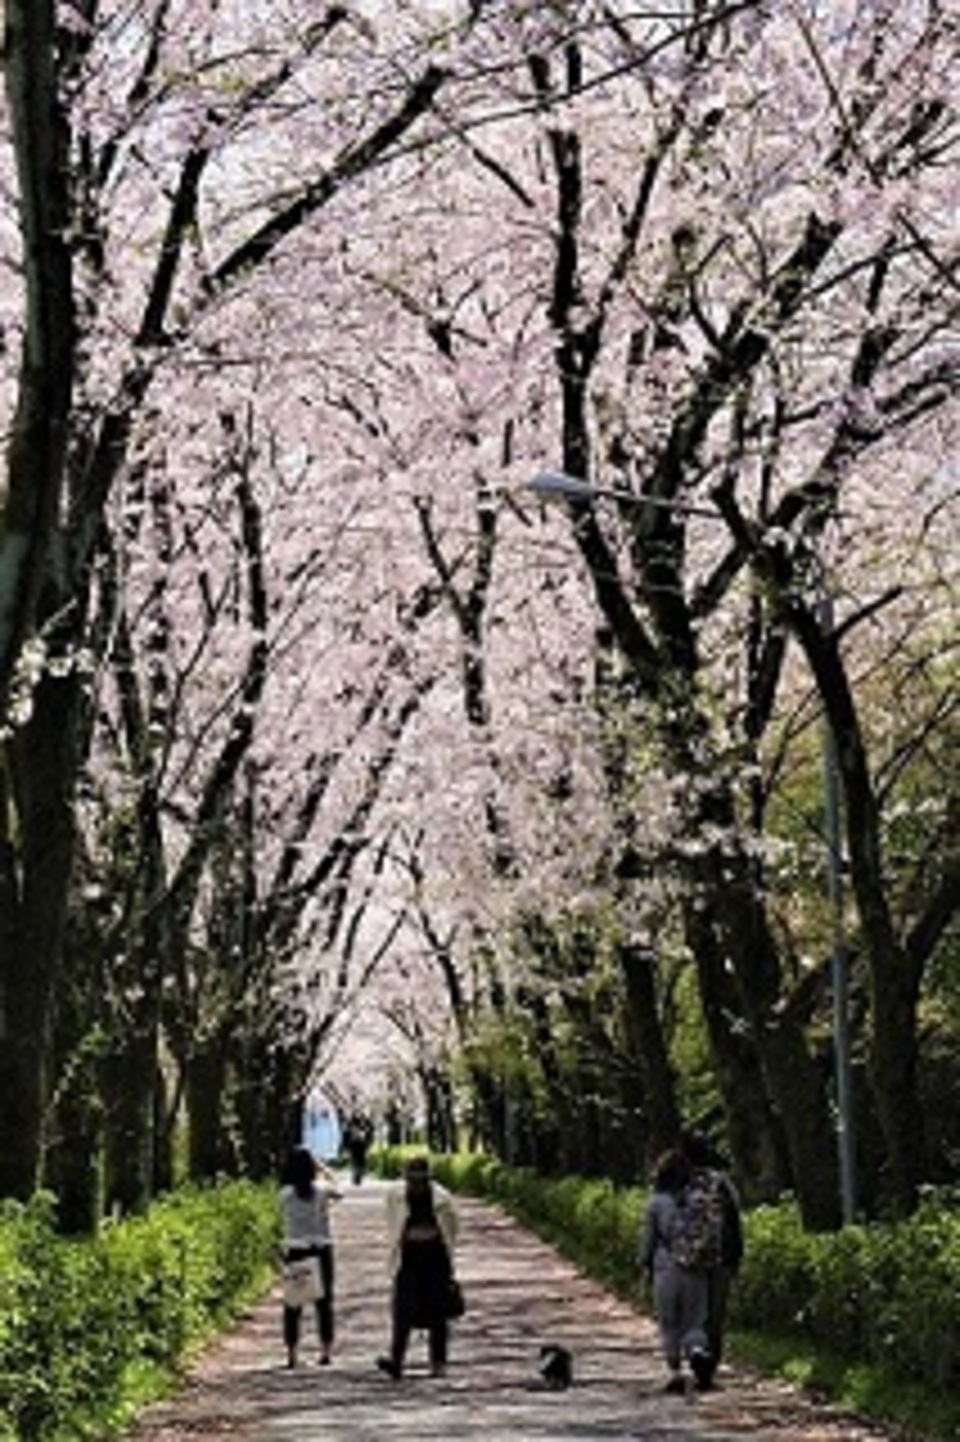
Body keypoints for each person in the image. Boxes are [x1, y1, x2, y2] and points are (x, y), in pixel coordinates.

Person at [638, 1146, 712, 1394]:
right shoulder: (699, 1199)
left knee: (669, 1322)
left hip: (665, 1268)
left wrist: (644, 1265)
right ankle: (697, 1351)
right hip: (695, 1266)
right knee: (695, 1321)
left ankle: (675, 1372)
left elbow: (648, 1240)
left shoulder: (656, 1202)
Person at [377, 1155, 459, 1379]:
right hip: (407, 1258)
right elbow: (392, 1223)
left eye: (420, 1181)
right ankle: (396, 1359)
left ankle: (438, 1361)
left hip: (435, 1258)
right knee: (402, 1309)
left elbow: (452, 1228)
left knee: (437, 1311)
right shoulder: (396, 1195)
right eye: (412, 1181)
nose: (416, 1185)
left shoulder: (442, 1199)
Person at [678, 1128, 744, 1388]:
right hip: (719, 1259)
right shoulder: (721, 1183)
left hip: (685, 1261)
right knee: (715, 1316)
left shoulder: (675, 1182)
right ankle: (709, 1369)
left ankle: (695, 1351)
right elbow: (734, 1221)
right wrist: (736, 1256)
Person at [279, 1145, 343, 1368]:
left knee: (293, 1303)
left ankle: (292, 1354)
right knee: (324, 1302)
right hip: (321, 1249)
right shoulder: (321, 1191)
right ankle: (325, 1351)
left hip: (295, 1250)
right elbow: (340, 1191)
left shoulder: (285, 1194)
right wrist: (323, 1169)